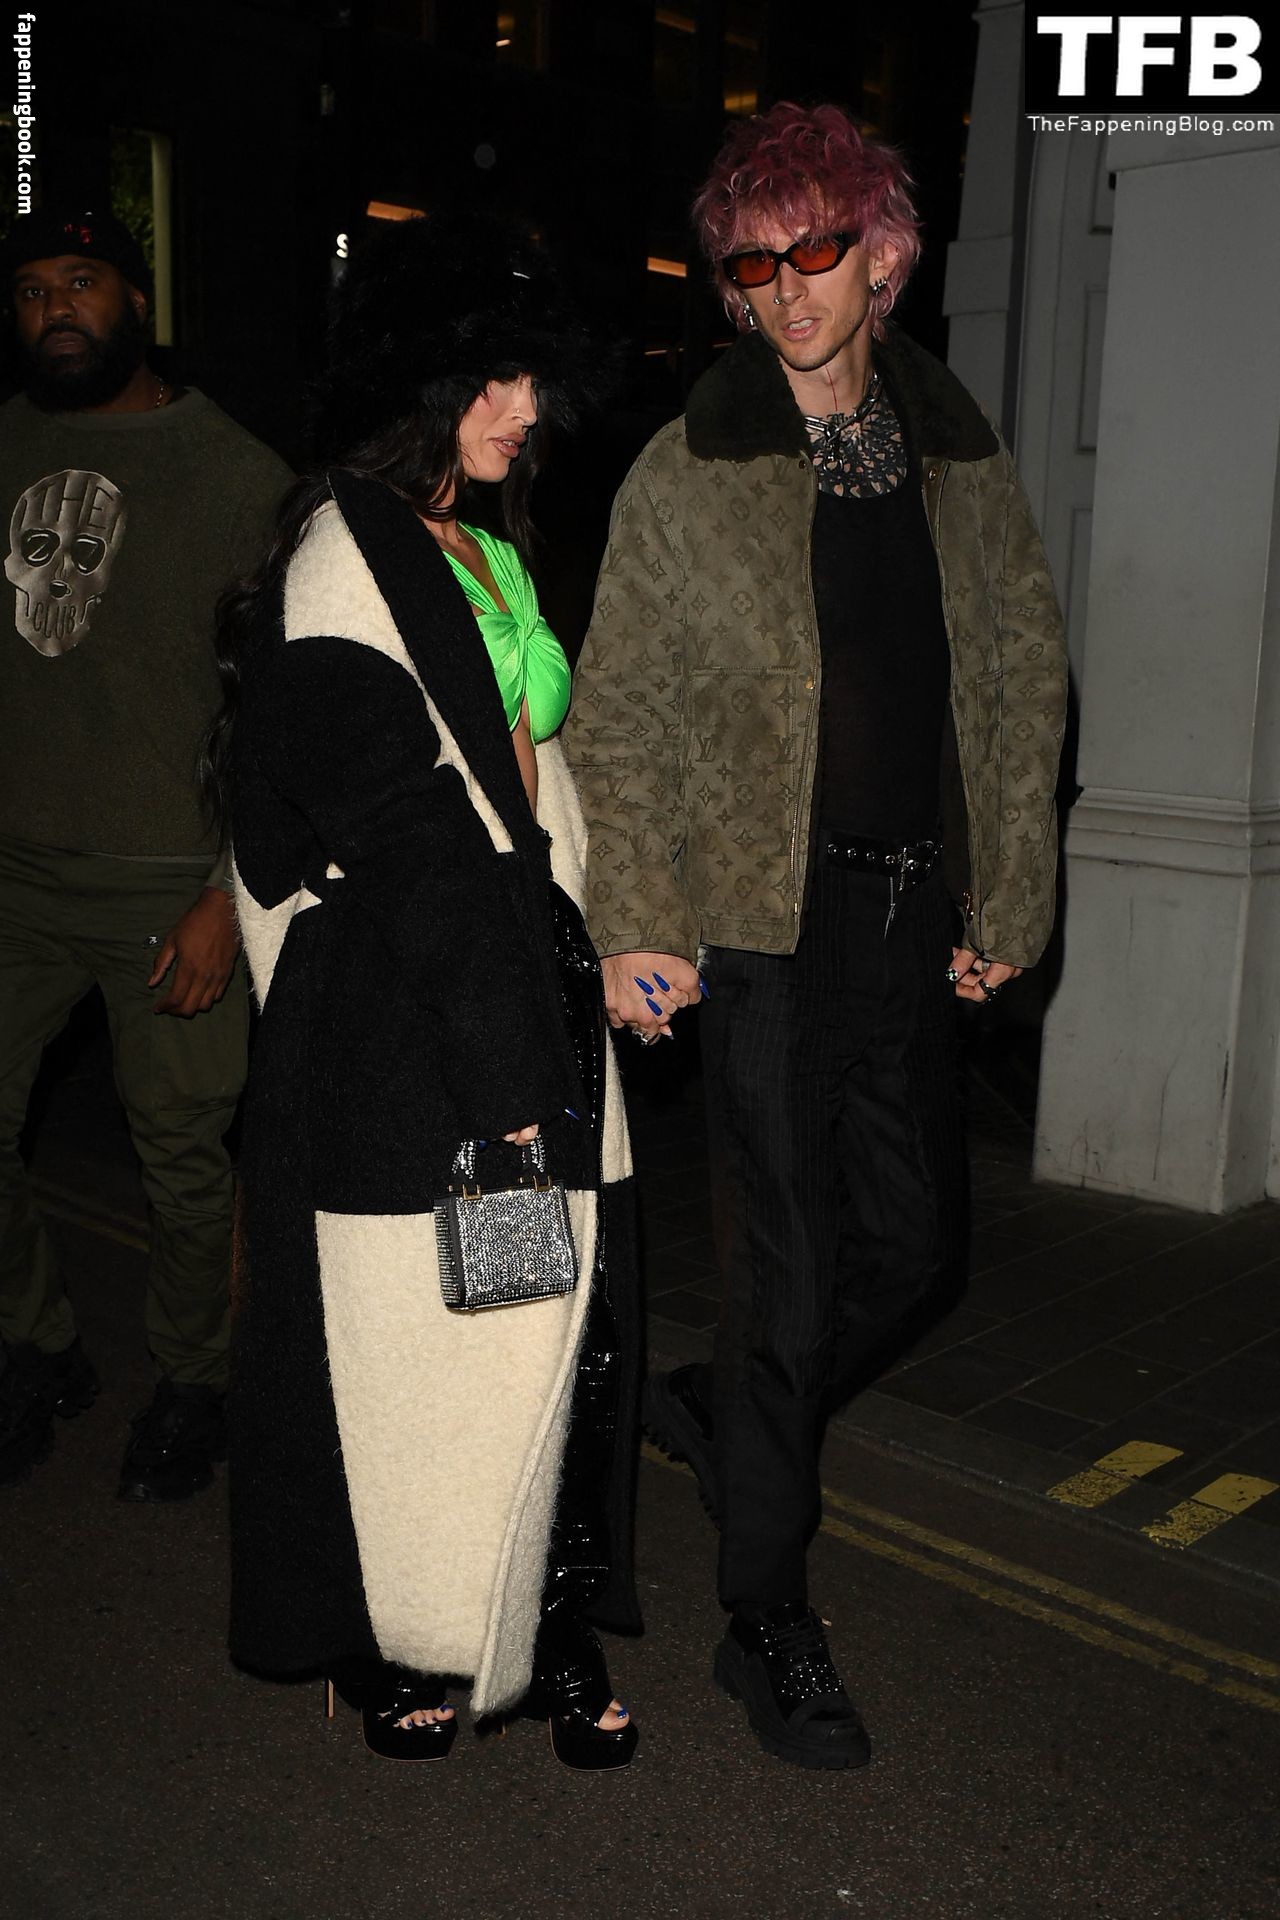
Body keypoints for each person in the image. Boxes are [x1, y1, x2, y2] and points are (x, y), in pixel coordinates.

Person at [563, 102, 1068, 1770]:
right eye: (755, 262)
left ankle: (729, 1411)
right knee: (783, 1277)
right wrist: (639, 923)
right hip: (757, 924)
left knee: (917, 1251)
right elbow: (619, 712)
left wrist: (1012, 890)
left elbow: (1022, 674)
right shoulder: (688, 467)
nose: (788, 287)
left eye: (819, 250)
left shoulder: (959, 456)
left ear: (883, 256)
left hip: (910, 910)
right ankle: (763, 1612)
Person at [218, 212, 641, 1768]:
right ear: (418, 380)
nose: (524, 410)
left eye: (539, 383)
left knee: (559, 1324)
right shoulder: (341, 554)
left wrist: (607, 946)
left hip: (519, 969)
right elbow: (402, 831)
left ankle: (543, 1619)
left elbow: (537, 784)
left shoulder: (488, 549)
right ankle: (394, 1630)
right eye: (494, 377)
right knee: (423, 1341)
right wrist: (507, 1057)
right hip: (414, 1010)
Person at [0, 207, 292, 1499]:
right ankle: (35, 1345)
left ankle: (194, 1381)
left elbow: (282, 712)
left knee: (182, 1160)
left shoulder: (233, 473)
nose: (55, 309)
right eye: (31, 291)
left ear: (136, 300)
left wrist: (229, 891)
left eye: (82, 282)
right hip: (13, 874)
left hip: (168, 882)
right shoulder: (7, 441)